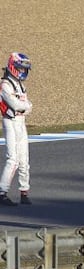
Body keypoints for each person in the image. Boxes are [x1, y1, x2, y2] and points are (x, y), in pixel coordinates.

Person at [0, 52, 33, 206]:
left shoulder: (21, 85)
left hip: (21, 122)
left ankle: (24, 192)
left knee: (24, 159)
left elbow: (28, 107)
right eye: (21, 68)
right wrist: (24, 107)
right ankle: (2, 192)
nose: (23, 71)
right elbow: (16, 105)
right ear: (13, 67)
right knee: (12, 159)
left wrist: (24, 107)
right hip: (10, 122)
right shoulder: (6, 85)